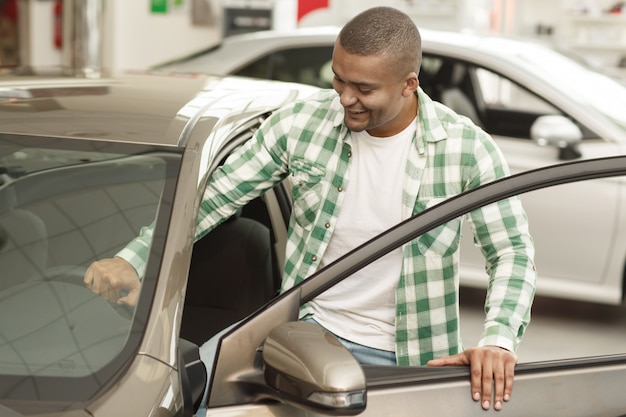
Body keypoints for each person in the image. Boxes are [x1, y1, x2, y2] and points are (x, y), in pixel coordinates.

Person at [84, 6, 536, 412]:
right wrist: (136, 257)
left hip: (411, 359)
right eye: (338, 78)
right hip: (305, 337)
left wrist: (498, 341)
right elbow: (215, 196)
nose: (344, 98)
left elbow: (512, 252)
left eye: (363, 88)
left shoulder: (466, 150)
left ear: (408, 84)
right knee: (196, 393)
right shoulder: (303, 123)